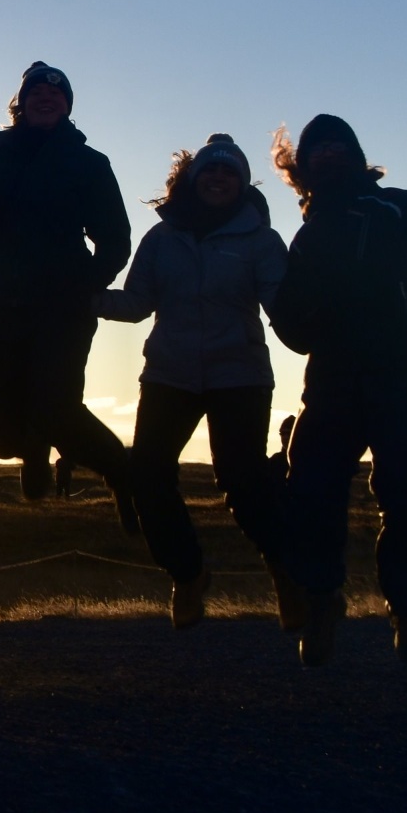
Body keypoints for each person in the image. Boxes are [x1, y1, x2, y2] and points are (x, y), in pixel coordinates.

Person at [95, 136, 296, 632]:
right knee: (147, 474)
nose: (219, 179)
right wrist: (77, 296)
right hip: (170, 372)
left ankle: (288, 576)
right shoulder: (161, 239)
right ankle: (187, 575)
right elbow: (136, 304)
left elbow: (282, 307)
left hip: (240, 374)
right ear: (193, 178)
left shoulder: (262, 242)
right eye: (211, 172)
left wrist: (318, 326)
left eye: (230, 174)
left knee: (242, 481)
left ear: (242, 185)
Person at [0, 61, 138, 532]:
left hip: (61, 312)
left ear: (67, 106)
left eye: (57, 95)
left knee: (58, 409)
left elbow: (115, 239)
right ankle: (34, 446)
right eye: (36, 94)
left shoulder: (89, 163)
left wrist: (82, 286)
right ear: (22, 103)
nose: (46, 99)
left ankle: (124, 474)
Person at [270, 113, 407, 666]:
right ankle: (322, 605)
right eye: (319, 147)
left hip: (404, 375)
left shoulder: (395, 205)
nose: (331, 152)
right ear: (303, 167)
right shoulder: (308, 234)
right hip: (333, 382)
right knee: (312, 493)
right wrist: (299, 314)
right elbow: (292, 331)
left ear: (359, 157)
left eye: (341, 145)